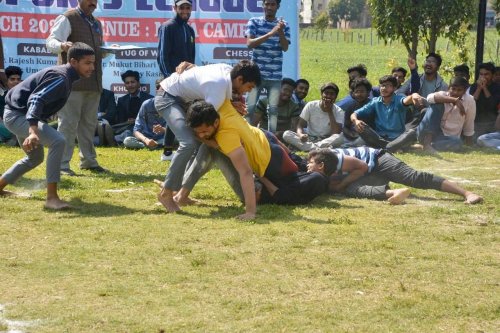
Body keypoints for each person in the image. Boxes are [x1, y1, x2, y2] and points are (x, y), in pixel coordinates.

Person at [155, 60, 262, 214]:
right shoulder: (218, 88)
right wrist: (211, 142)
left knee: (202, 145)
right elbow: (204, 124)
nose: (246, 92)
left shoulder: (228, 71)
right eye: (248, 87)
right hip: (167, 98)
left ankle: (181, 195)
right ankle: (166, 193)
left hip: (182, 100)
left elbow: (202, 80)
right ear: (239, 79)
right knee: (189, 142)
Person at [0, 43, 96, 209]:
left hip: (19, 114)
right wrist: (33, 130)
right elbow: (36, 99)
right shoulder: (61, 77)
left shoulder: (65, 76)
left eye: (93, 63)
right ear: (73, 62)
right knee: (58, 141)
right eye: (87, 63)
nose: (92, 67)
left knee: (35, 158)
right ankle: (52, 198)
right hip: (18, 116)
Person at [182, 100, 300, 220]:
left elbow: (246, 172)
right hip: (268, 148)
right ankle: (181, 194)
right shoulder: (223, 107)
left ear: (216, 122)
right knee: (210, 145)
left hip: (262, 188)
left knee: (209, 147)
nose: (201, 135)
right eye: (198, 132)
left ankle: (181, 195)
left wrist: (250, 212)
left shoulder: (226, 135)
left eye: (204, 131)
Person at [46, 0, 106, 175]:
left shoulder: (96, 23)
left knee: (89, 124)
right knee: (68, 124)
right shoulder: (67, 18)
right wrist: (62, 45)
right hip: (71, 82)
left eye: (95, 0)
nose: (93, 2)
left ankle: (89, 161)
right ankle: (62, 165)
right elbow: (51, 41)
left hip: (94, 81)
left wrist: (105, 51)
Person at [315, 147, 483, 205]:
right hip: (365, 174)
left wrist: (341, 185)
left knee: (413, 177)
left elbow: (362, 166)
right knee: (353, 189)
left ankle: (466, 193)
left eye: (310, 167)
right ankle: (394, 193)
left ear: (319, 164)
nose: (308, 170)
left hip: (376, 159)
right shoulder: (317, 170)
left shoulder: (332, 158)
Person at [157, 0, 195, 161]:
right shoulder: (168, 26)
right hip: (171, 80)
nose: (185, 11)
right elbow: (162, 55)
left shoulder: (189, 29)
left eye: (188, 8)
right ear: (175, 8)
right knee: (175, 112)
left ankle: (167, 152)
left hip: (185, 80)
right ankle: (169, 151)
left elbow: (191, 58)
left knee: (181, 112)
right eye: (181, 8)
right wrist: (169, 78)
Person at [245, 0, 290, 132]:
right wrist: (271, 33)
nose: (269, 7)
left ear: (278, 7)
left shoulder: (284, 25)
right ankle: (246, 136)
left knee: (273, 110)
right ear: (263, 5)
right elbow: (250, 43)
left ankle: (272, 138)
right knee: (249, 108)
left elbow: (285, 47)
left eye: (273, 4)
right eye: (267, 4)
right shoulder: (254, 22)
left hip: (275, 76)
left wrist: (280, 32)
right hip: (255, 75)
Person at [350, 75, 426, 152]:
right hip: (379, 138)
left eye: (388, 86)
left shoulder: (398, 99)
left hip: (398, 138)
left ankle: (389, 147)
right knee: (361, 127)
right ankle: (393, 147)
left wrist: (414, 95)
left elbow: (407, 100)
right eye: (382, 85)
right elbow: (354, 114)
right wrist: (356, 121)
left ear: (394, 88)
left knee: (411, 133)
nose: (384, 88)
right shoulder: (375, 101)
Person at [417, 77, 476, 152]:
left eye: (459, 90)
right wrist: (453, 100)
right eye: (453, 89)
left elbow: (469, 122)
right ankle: (427, 143)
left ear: (464, 91)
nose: (455, 92)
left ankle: (424, 146)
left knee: (458, 142)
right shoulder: (442, 95)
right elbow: (429, 98)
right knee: (436, 105)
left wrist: (469, 144)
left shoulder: (470, 100)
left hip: (446, 138)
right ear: (448, 88)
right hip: (426, 133)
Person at [257, 149, 334, 205]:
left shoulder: (316, 178)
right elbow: (294, 157)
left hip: (260, 189)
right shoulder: (313, 175)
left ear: (321, 166)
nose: (307, 165)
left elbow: (279, 196)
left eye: (311, 163)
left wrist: (261, 176)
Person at [283, 82, 344, 151]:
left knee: (340, 137)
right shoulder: (311, 105)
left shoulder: (339, 111)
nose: (329, 96)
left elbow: (335, 133)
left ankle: (310, 148)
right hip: (309, 138)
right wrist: (300, 135)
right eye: (326, 93)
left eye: (332, 94)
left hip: (326, 140)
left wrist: (330, 111)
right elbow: (300, 125)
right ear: (321, 94)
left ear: (335, 97)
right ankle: (318, 148)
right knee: (286, 134)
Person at [123, 79, 167, 150]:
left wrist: (163, 129)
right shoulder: (147, 104)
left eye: (168, 90)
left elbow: (175, 130)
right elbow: (136, 130)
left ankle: (156, 144)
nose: (165, 93)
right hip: (146, 138)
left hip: (164, 138)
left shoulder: (172, 105)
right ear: (157, 90)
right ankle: (152, 145)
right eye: (163, 90)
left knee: (177, 138)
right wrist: (146, 140)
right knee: (127, 140)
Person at [114, 70, 153, 144]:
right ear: (125, 85)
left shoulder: (149, 99)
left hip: (144, 129)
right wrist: (127, 121)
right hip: (127, 128)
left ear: (138, 83)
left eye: (133, 82)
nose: (130, 85)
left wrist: (137, 120)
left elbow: (152, 119)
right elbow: (120, 120)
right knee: (126, 132)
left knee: (127, 134)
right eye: (127, 83)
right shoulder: (121, 100)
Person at [469, 62, 500, 138]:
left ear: (492, 75)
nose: (483, 77)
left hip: (491, 122)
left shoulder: (497, 87)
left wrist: (484, 88)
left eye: (486, 74)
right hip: (476, 122)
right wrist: (479, 88)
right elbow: (471, 103)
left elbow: (492, 104)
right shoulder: (474, 86)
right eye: (481, 74)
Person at [341, 78, 372, 147]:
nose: (359, 94)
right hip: (351, 136)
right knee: (337, 137)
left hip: (366, 136)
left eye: (362, 91)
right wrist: (351, 134)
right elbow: (345, 126)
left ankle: (348, 146)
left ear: (368, 93)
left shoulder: (373, 106)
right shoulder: (351, 107)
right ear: (353, 93)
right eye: (357, 92)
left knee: (362, 140)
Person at [0, 66, 24, 145]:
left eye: (18, 79)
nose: (16, 82)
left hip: (23, 126)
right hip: (6, 127)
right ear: (6, 81)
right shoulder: (2, 97)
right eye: (12, 79)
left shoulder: (25, 96)